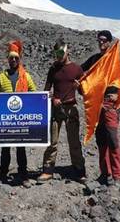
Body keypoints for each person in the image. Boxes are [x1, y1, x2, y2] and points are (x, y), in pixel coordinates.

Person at [80, 30, 120, 185]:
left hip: (110, 104)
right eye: (99, 40)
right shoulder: (95, 59)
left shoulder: (116, 58)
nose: (101, 43)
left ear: (110, 41)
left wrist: (119, 94)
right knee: (100, 139)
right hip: (96, 104)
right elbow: (79, 71)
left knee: (112, 138)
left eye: (104, 40)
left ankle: (118, 175)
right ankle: (105, 173)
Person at [37, 39, 86, 184]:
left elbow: (84, 92)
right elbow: (46, 90)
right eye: (56, 53)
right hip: (56, 108)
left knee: (74, 141)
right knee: (52, 141)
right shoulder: (53, 68)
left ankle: (79, 170)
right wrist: (52, 99)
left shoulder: (77, 69)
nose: (58, 56)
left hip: (71, 108)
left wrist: (79, 87)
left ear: (67, 51)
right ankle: (47, 170)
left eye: (61, 52)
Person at [0, 40, 36, 188]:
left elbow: (33, 93)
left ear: (19, 59)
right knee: (5, 148)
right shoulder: (2, 76)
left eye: (16, 58)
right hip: (7, 120)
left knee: (21, 148)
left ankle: (23, 176)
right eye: (11, 57)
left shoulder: (26, 76)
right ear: (8, 59)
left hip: (20, 120)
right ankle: (2, 175)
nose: (13, 60)